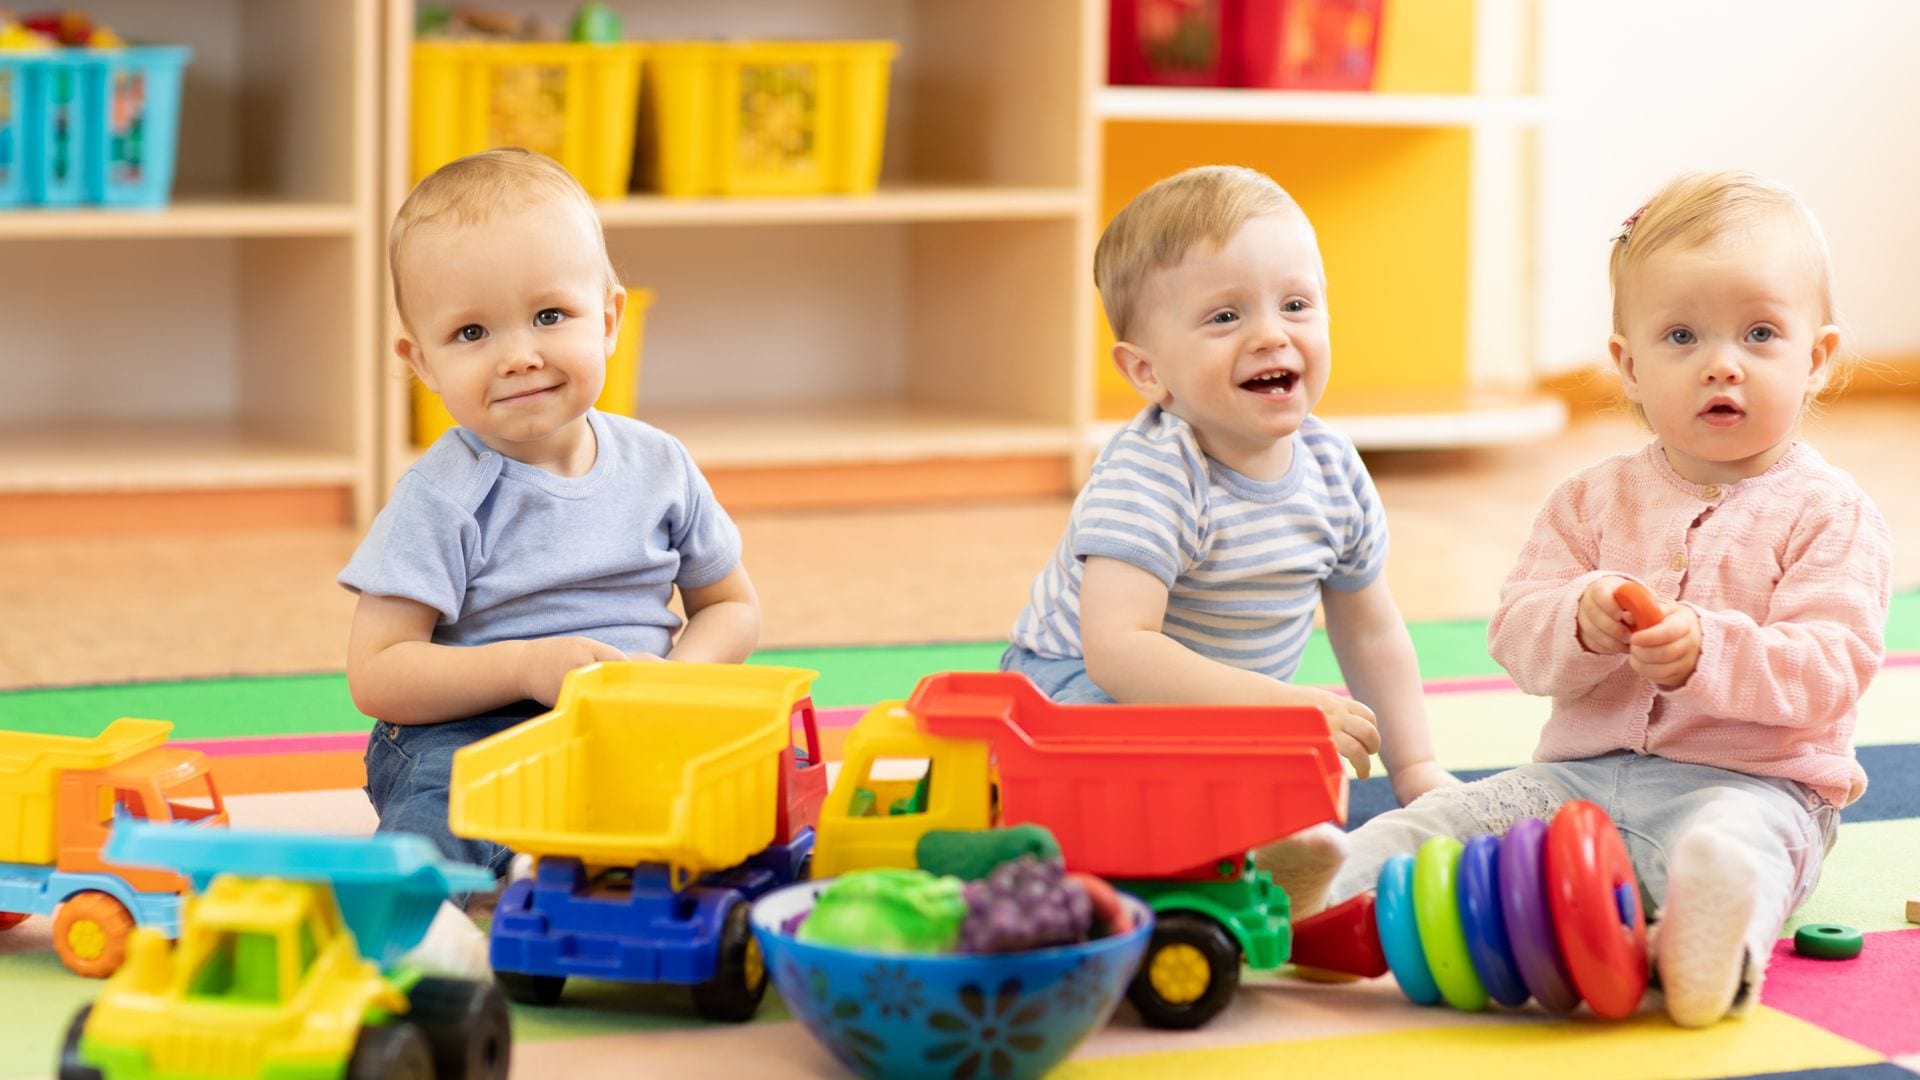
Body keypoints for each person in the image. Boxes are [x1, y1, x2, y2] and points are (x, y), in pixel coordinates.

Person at [1288, 170, 1892, 1027]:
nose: (1723, 362)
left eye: (1760, 334)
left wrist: (1708, 651)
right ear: (1630, 365)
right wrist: (1577, 615)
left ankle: (1702, 950)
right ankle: (1324, 888)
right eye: (1682, 335)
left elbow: (1830, 671)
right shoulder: (1587, 502)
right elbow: (1515, 638)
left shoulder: (1831, 514)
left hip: (1754, 787)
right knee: (1451, 816)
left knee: (1735, 855)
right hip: (1572, 781)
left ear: (1817, 358)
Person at [340, 148, 760, 970]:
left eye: (549, 317)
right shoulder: (442, 496)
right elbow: (378, 673)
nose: (519, 355)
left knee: (737, 812)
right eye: (471, 332)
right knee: (436, 833)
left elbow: (730, 606)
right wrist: (527, 667)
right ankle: (397, 939)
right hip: (467, 734)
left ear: (608, 318)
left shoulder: (661, 465)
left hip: (630, 721)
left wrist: (674, 681)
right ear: (420, 362)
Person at [1001, 164, 1457, 823]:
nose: (1272, 334)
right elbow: (1118, 650)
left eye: (1296, 305)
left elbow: (1371, 631)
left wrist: (1414, 767)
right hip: (1075, 691)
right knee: (1165, 804)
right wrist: (1280, 708)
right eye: (1225, 316)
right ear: (1147, 372)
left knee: (1291, 800)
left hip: (1223, 703)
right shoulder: (1153, 474)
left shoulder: (1332, 469)